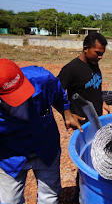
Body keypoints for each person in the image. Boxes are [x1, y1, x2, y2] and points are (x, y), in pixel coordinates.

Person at [0, 59, 82, 204]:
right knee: (9, 200)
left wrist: (67, 113)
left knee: (50, 196)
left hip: (45, 147)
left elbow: (58, 92)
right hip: (11, 155)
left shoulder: (42, 79)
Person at [58, 32, 110, 124]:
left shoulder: (93, 63)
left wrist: (102, 102)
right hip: (82, 122)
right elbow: (54, 93)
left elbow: (95, 87)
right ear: (86, 48)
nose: (100, 57)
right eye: (98, 53)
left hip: (96, 118)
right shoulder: (71, 69)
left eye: (102, 54)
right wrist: (68, 115)